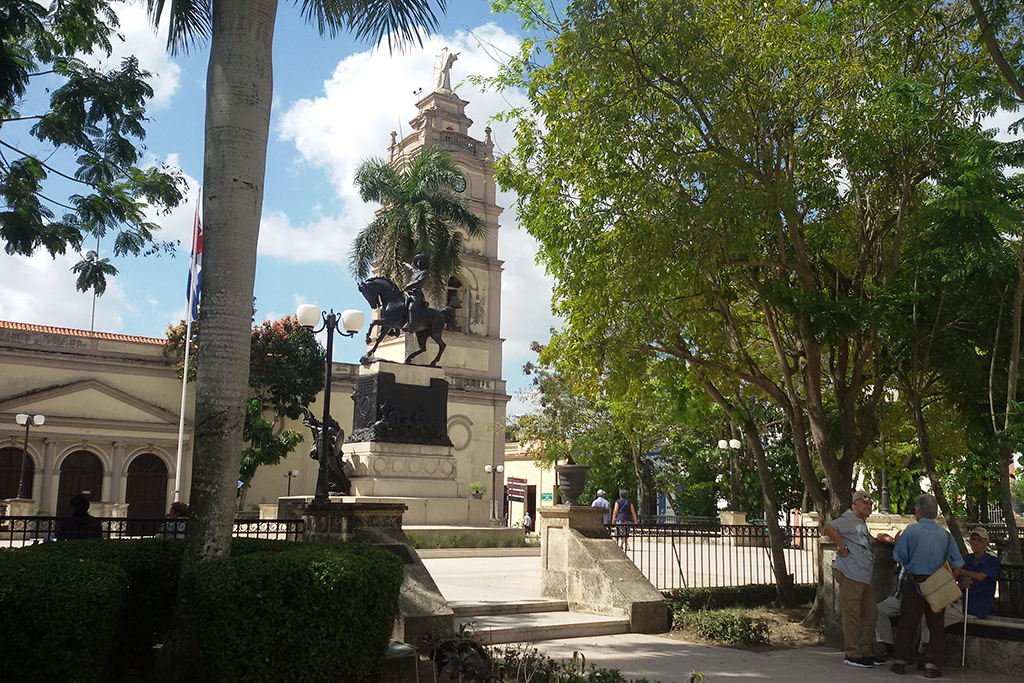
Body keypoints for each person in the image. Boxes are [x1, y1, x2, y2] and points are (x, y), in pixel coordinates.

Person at [890, 493, 964, 678]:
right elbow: (958, 563)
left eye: (915, 509)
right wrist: (949, 582)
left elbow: (899, 556)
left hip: (915, 582)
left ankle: (900, 662)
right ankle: (933, 665)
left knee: (907, 623)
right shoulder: (946, 536)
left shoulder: (911, 531)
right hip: (938, 585)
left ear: (920, 511)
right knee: (936, 627)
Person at [824, 489, 894, 668]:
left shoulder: (860, 522)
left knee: (871, 613)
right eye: (864, 501)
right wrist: (842, 546)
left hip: (863, 577)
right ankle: (852, 654)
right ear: (854, 504)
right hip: (851, 574)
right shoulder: (849, 518)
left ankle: (866, 652)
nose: (869, 505)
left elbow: (865, 540)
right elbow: (829, 527)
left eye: (871, 502)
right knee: (852, 615)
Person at [943, 527, 1000, 626]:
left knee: (937, 616)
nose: (975, 543)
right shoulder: (967, 559)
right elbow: (956, 580)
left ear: (986, 544)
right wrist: (961, 584)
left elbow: (981, 577)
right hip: (961, 602)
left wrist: (960, 570)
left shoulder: (993, 561)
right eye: (973, 539)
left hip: (977, 606)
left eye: (979, 540)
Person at [401, 254, 431, 332]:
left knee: (412, 306)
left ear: (425, 264)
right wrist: (404, 264)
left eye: (421, 262)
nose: (419, 263)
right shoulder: (415, 271)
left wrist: (409, 285)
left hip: (416, 293)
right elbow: (410, 268)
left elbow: (419, 282)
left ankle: (410, 324)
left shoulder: (424, 273)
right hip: (408, 292)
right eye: (418, 261)